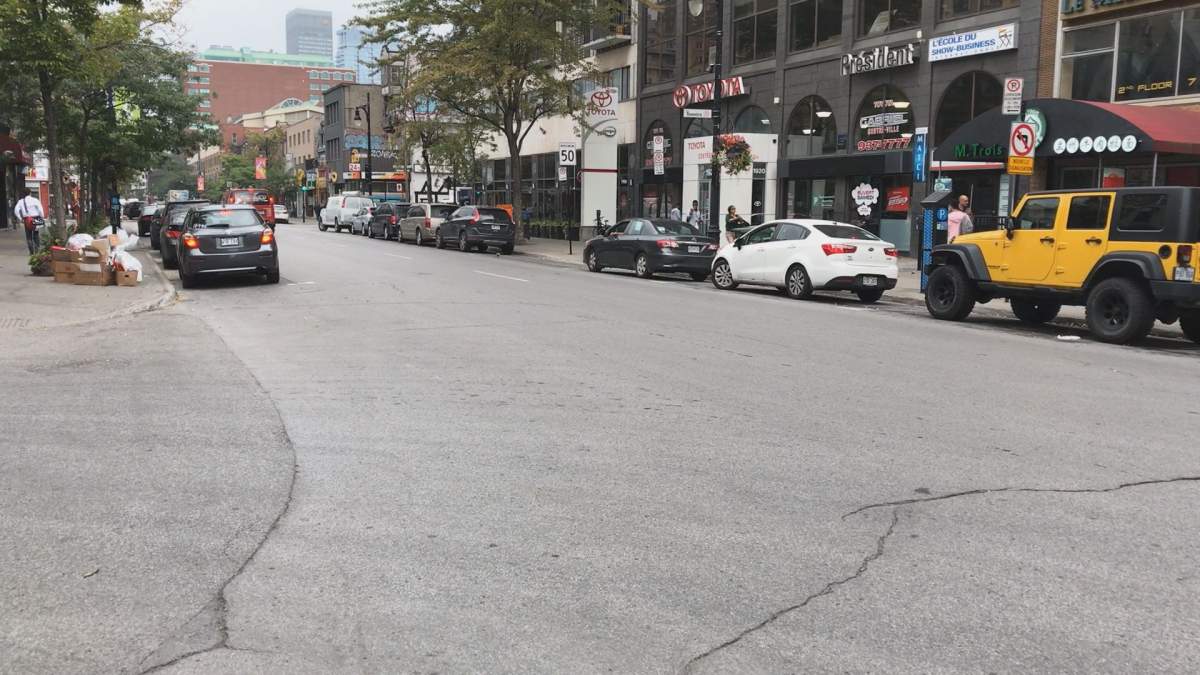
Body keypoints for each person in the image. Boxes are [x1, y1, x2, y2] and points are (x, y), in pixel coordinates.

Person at [14, 188, 44, 254]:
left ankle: (31, 251)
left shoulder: (21, 201)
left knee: (28, 235)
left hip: (26, 219)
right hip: (35, 218)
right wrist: (42, 216)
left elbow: (16, 210)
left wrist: (20, 218)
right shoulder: (35, 200)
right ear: (30, 193)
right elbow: (40, 210)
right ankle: (37, 250)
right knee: (36, 234)